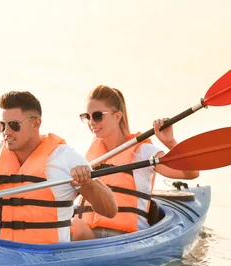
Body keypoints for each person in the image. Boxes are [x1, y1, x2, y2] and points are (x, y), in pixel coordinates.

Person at [0, 90, 117, 244]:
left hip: (48, 257)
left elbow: (110, 210)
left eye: (14, 125)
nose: (6, 132)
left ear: (36, 124)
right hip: (1, 253)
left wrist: (88, 184)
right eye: (2, 125)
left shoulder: (66, 158)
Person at [73, 85, 200, 238]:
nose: (91, 122)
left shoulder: (143, 152)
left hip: (127, 237)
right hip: (89, 235)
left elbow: (191, 173)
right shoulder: (89, 158)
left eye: (98, 116)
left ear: (117, 116)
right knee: (74, 225)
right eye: (86, 117)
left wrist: (171, 142)